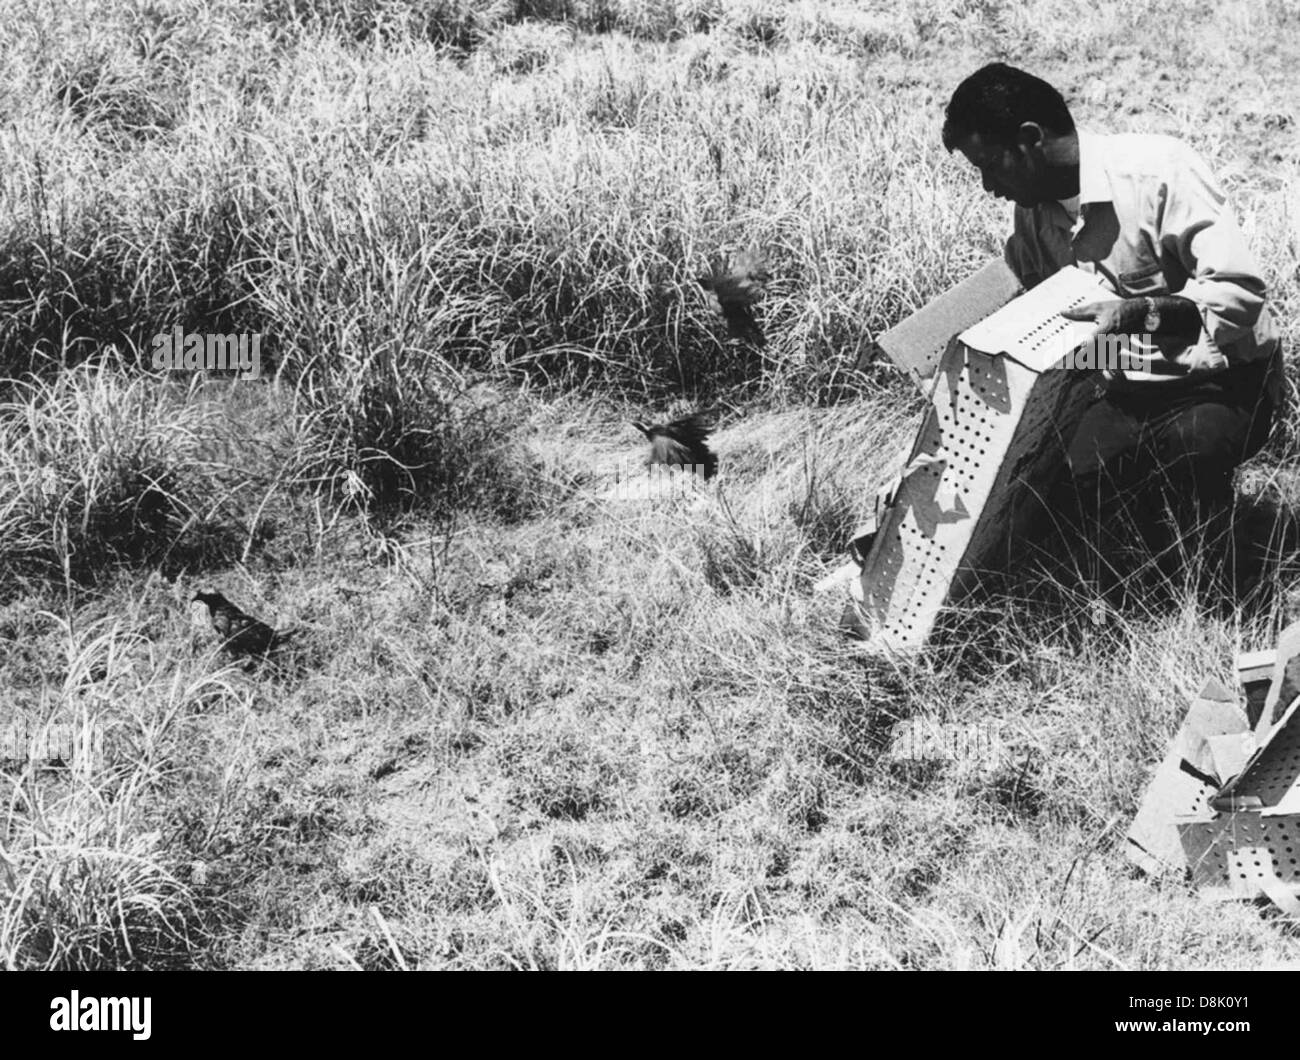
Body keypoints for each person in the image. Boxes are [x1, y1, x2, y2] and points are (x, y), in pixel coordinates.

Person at [941, 62, 1283, 586]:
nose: (989, 187)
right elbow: (1034, 308)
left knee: (1187, 457)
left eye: (991, 165)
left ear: (1030, 140)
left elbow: (1242, 293)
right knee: (1050, 487)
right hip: (1125, 388)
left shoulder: (1158, 172)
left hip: (1225, 382)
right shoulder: (1032, 213)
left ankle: (1227, 570)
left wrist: (1138, 314)